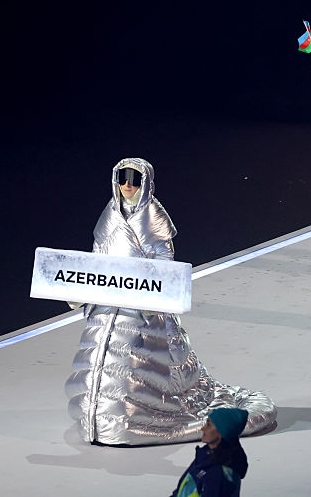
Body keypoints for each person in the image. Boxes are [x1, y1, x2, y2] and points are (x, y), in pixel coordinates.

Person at [65, 157, 277, 446]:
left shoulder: (154, 219)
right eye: (122, 179)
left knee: (131, 363)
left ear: (146, 184)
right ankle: (99, 422)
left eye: (134, 180)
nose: (127, 185)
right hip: (107, 308)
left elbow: (164, 265)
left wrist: (149, 296)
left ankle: (130, 421)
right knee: (100, 361)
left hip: (142, 310)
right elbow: (98, 259)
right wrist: (84, 291)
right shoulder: (109, 217)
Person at [171, 407, 250, 497]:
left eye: (208, 425)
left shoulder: (219, 473)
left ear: (221, 432)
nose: (203, 428)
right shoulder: (205, 456)